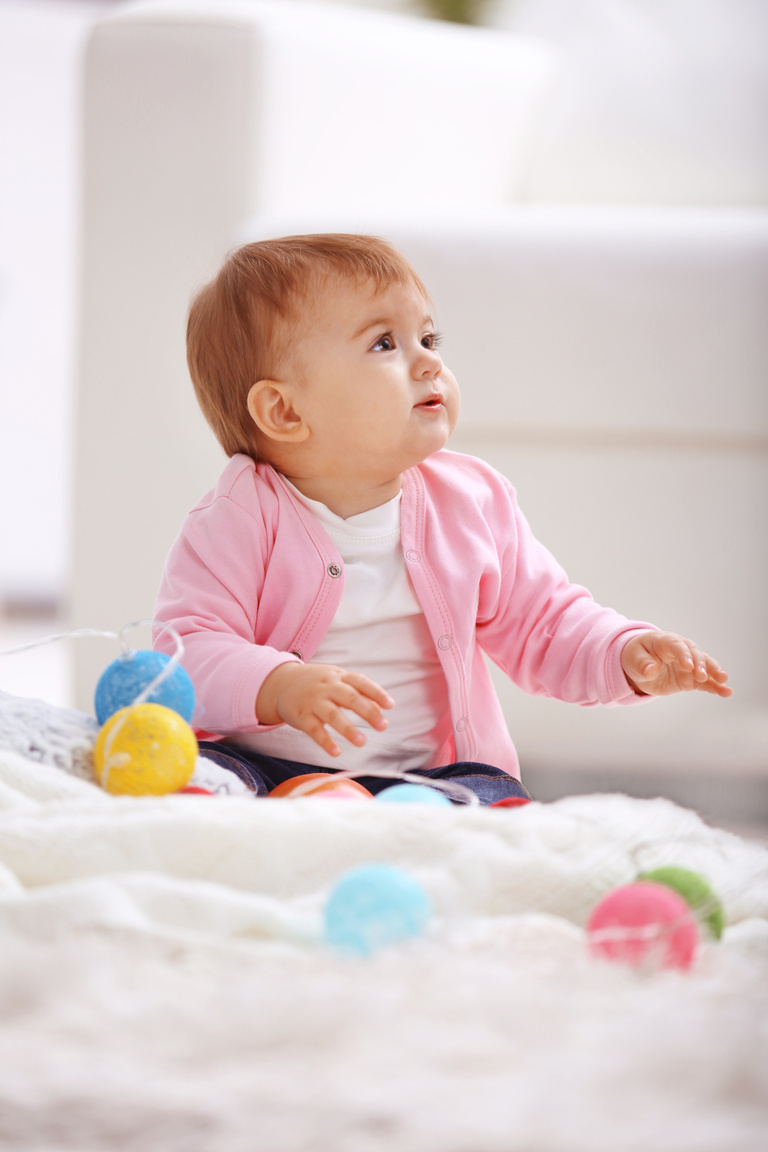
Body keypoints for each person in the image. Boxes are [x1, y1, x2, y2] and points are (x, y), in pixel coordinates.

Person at [153, 234, 731, 803]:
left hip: (430, 777)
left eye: (428, 337)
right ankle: (294, 816)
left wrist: (623, 652)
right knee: (196, 776)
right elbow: (187, 655)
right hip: (266, 766)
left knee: (494, 799)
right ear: (284, 410)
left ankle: (408, 827)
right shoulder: (237, 519)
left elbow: (544, 620)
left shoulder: (470, 502)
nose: (429, 360)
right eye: (385, 343)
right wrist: (276, 685)